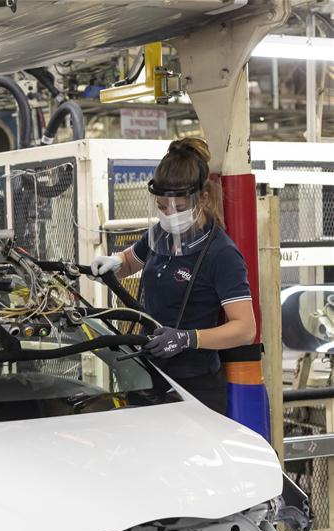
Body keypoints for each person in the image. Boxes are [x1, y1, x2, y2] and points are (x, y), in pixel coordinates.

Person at [91, 138, 256, 414]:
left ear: (202, 198)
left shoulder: (221, 254)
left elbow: (245, 328)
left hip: (195, 387)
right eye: (162, 207)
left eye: (179, 209)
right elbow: (131, 261)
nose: (169, 215)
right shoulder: (161, 234)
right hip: (151, 373)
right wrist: (114, 262)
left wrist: (187, 339)